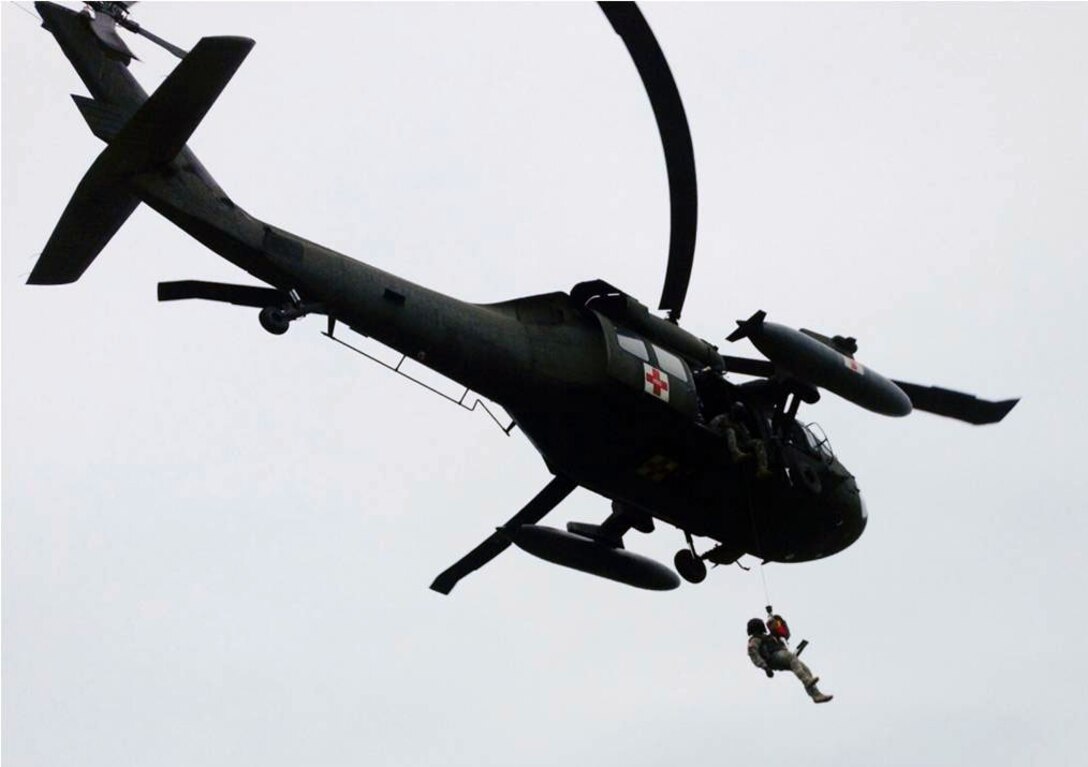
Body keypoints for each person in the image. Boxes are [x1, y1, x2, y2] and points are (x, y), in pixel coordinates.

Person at [747, 618, 833, 703]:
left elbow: (784, 635)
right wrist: (765, 667)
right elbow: (754, 654)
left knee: (805, 669)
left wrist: (777, 622)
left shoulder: (770, 637)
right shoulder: (755, 640)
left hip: (781, 656)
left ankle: (816, 695)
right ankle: (806, 681)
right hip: (772, 658)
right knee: (791, 657)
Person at [709, 406, 772, 479]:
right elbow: (711, 427)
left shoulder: (740, 424)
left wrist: (740, 431)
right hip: (722, 441)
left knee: (758, 442)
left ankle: (762, 468)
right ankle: (735, 454)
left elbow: (747, 437)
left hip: (738, 443)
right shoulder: (722, 418)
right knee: (730, 431)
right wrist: (724, 428)